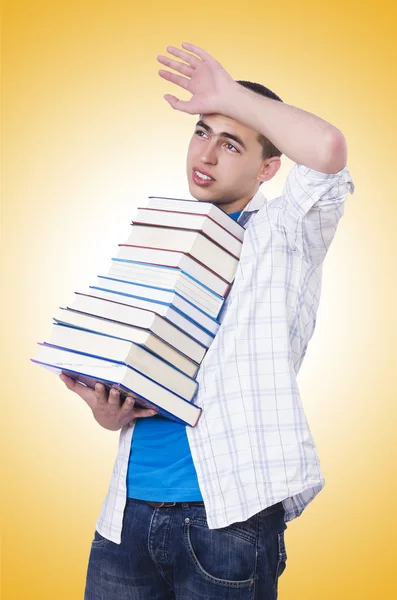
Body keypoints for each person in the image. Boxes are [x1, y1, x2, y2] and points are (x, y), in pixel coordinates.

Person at [60, 42, 355, 599]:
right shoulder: (165, 243)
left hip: (228, 515)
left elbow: (327, 147)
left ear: (269, 168)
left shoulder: (284, 234)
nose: (208, 154)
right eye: (202, 132)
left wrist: (231, 95)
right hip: (127, 514)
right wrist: (110, 409)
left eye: (231, 142)